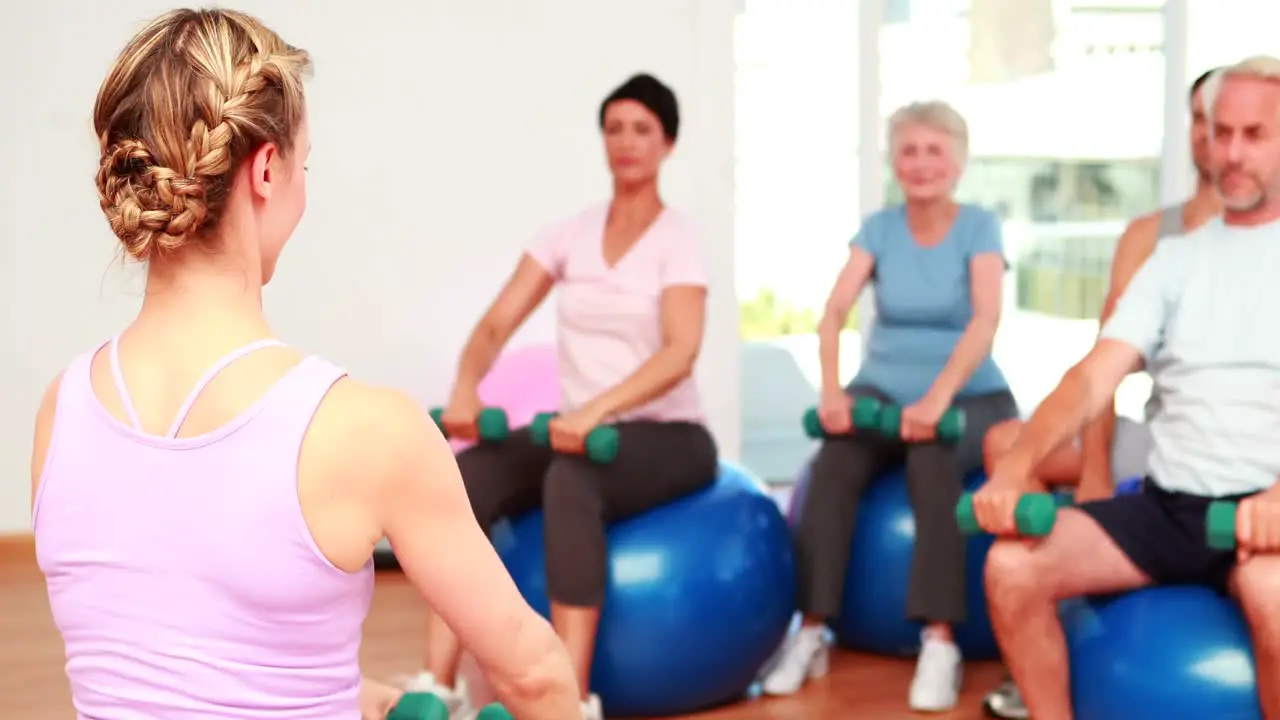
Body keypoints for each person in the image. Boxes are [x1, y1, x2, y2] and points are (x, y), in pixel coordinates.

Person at [29, 9, 578, 720]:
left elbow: (183, 663)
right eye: (304, 162)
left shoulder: (60, 412)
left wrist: (352, 698)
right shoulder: (364, 429)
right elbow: (533, 677)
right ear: (265, 169)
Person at [977, 56, 1280, 720]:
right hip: (1171, 510)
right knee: (1011, 568)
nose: (1230, 153)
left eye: (1254, 135)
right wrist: (1018, 467)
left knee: (1271, 591)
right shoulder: (1176, 257)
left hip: (1270, 511)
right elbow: (1094, 376)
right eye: (1219, 131)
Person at [407, 73, 718, 720]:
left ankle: (569, 702)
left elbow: (680, 351)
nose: (626, 142)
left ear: (669, 143)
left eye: (642, 130)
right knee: (465, 476)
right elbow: (497, 325)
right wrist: (465, 388)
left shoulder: (677, 238)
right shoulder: (569, 234)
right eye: (614, 128)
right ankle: (439, 686)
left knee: (571, 481)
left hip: (667, 434)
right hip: (578, 427)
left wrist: (597, 409)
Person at [762, 100, 1018, 712]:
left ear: (957, 163)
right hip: (882, 388)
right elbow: (831, 314)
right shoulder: (879, 229)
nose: (921, 163)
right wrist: (831, 392)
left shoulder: (978, 226)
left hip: (971, 394)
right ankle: (813, 630)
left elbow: (985, 319)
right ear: (893, 162)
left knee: (930, 463)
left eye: (935, 151)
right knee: (835, 462)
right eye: (909, 150)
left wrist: (936, 398)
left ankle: (940, 642)